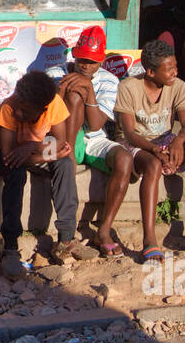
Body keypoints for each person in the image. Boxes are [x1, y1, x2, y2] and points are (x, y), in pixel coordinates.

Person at [115, 38, 185, 263]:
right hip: (136, 143)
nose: (175, 72)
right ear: (151, 72)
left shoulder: (179, 87)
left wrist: (177, 142)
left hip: (165, 140)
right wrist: (156, 150)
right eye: (169, 69)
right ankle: (149, 241)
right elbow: (129, 134)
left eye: (175, 66)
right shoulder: (129, 88)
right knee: (154, 165)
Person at [0, 70, 78, 277]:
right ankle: (10, 245)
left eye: (25, 112)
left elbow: (60, 142)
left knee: (64, 165)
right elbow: (10, 156)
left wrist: (31, 147)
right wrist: (44, 156)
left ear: (42, 109)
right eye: (18, 107)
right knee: (16, 173)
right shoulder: (9, 106)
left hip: (33, 152)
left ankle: (66, 238)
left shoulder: (53, 104)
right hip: (6, 155)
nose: (19, 113)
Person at [47, 26, 130, 258]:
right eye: (81, 59)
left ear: (101, 60)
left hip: (93, 139)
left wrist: (90, 91)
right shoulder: (54, 72)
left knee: (123, 158)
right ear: (74, 55)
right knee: (73, 95)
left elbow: (95, 125)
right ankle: (69, 153)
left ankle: (103, 231)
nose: (85, 65)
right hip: (60, 137)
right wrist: (61, 92)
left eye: (92, 62)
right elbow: (46, 116)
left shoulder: (109, 80)